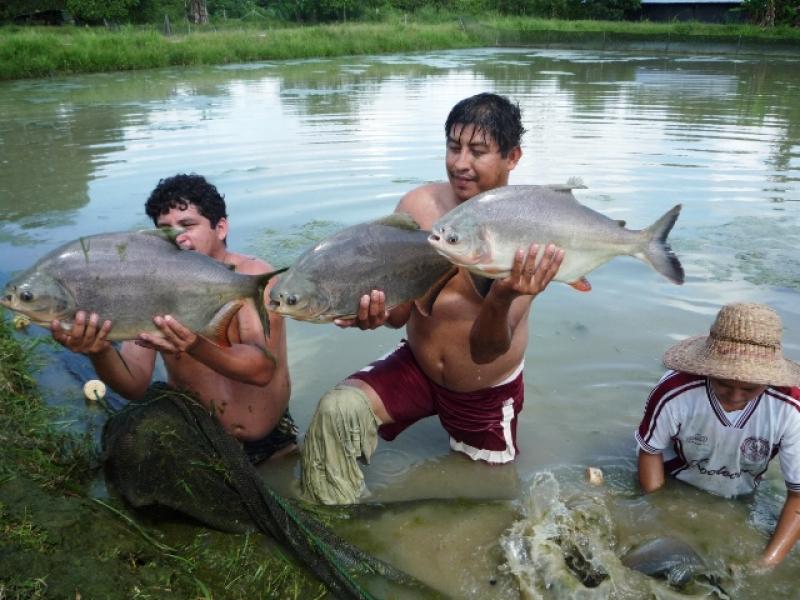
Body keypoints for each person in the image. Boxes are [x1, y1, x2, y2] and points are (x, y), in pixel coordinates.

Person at [301, 92, 566, 504]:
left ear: (512, 157)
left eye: (477, 151)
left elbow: (487, 350)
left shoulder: (530, 228)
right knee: (337, 413)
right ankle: (338, 524)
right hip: (418, 366)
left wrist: (501, 295)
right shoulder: (417, 208)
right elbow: (400, 313)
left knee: (489, 499)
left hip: (484, 388)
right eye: (453, 147)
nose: (460, 162)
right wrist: (376, 312)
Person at [51, 173, 296, 464]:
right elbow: (134, 384)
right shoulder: (147, 284)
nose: (179, 237)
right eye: (165, 230)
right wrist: (100, 350)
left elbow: (261, 371)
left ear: (220, 228)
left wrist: (194, 345)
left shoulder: (252, 278)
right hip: (200, 445)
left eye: (188, 225)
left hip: (274, 443)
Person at [636, 302, 800, 568]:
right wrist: (659, 509)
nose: (735, 397)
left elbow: (797, 495)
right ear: (708, 369)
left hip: (741, 493)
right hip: (675, 480)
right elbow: (650, 451)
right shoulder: (674, 392)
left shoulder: (790, 408)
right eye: (723, 383)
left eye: (750, 388)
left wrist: (768, 562)